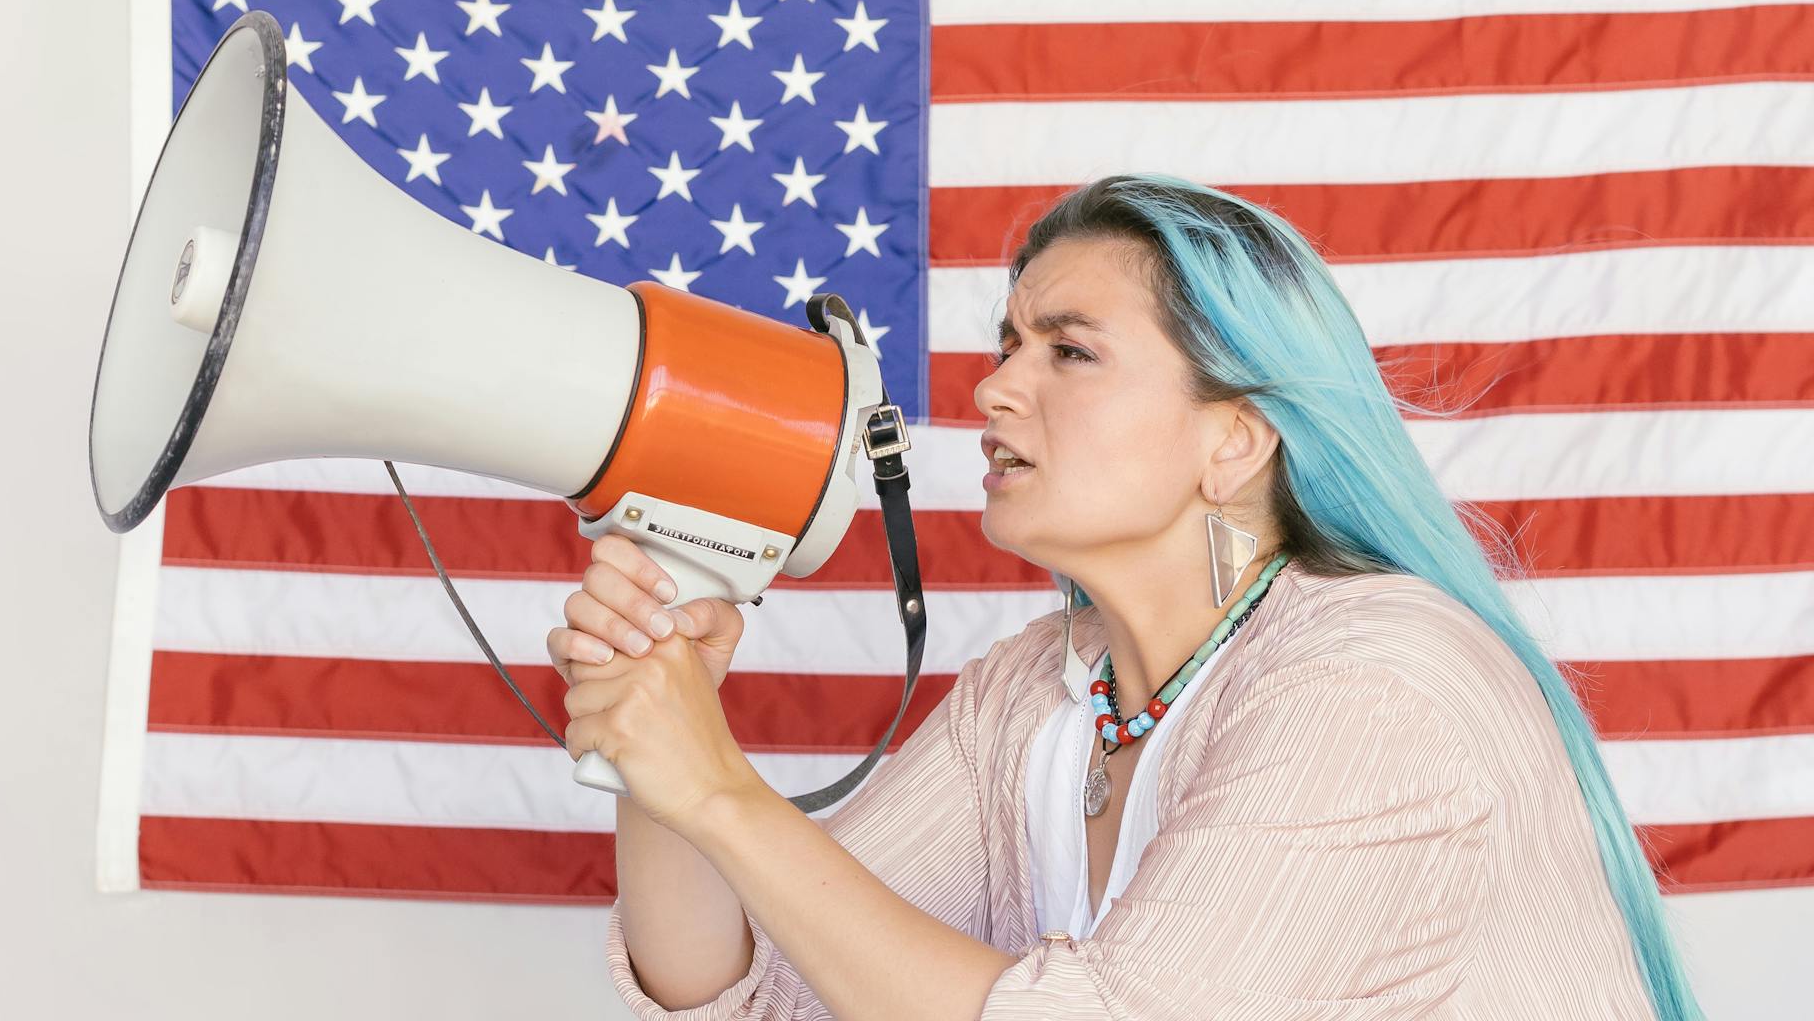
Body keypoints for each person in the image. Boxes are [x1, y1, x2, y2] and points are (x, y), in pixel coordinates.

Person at [547, 174, 1704, 1019]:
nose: (995, 388)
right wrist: (668, 756)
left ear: (1235, 439)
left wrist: (723, 786)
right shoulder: (1034, 694)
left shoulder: (1381, 677)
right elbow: (761, 997)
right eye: (1007, 345)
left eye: (1070, 350)